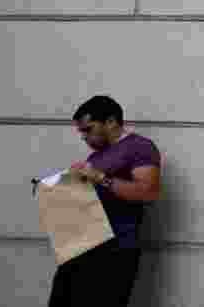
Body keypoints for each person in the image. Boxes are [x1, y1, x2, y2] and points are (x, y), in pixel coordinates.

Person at [47, 95, 162, 307]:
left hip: (116, 250)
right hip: (82, 246)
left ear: (110, 122)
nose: (83, 136)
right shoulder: (96, 157)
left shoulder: (140, 147)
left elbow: (149, 192)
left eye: (88, 129)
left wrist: (100, 178)